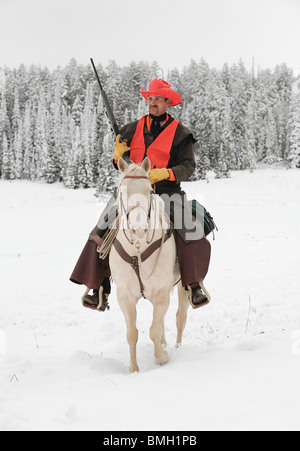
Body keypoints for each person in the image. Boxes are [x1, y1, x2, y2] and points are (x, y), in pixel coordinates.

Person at [70, 78, 211, 311]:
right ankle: (99, 287)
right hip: (132, 191)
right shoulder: (130, 129)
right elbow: (120, 164)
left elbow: (188, 166)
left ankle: (193, 284)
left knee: (190, 230)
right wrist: (117, 157)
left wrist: (165, 173)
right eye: (150, 98)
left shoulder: (181, 133)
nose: (152, 103)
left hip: (167, 192)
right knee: (100, 228)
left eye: (157, 99)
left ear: (167, 102)